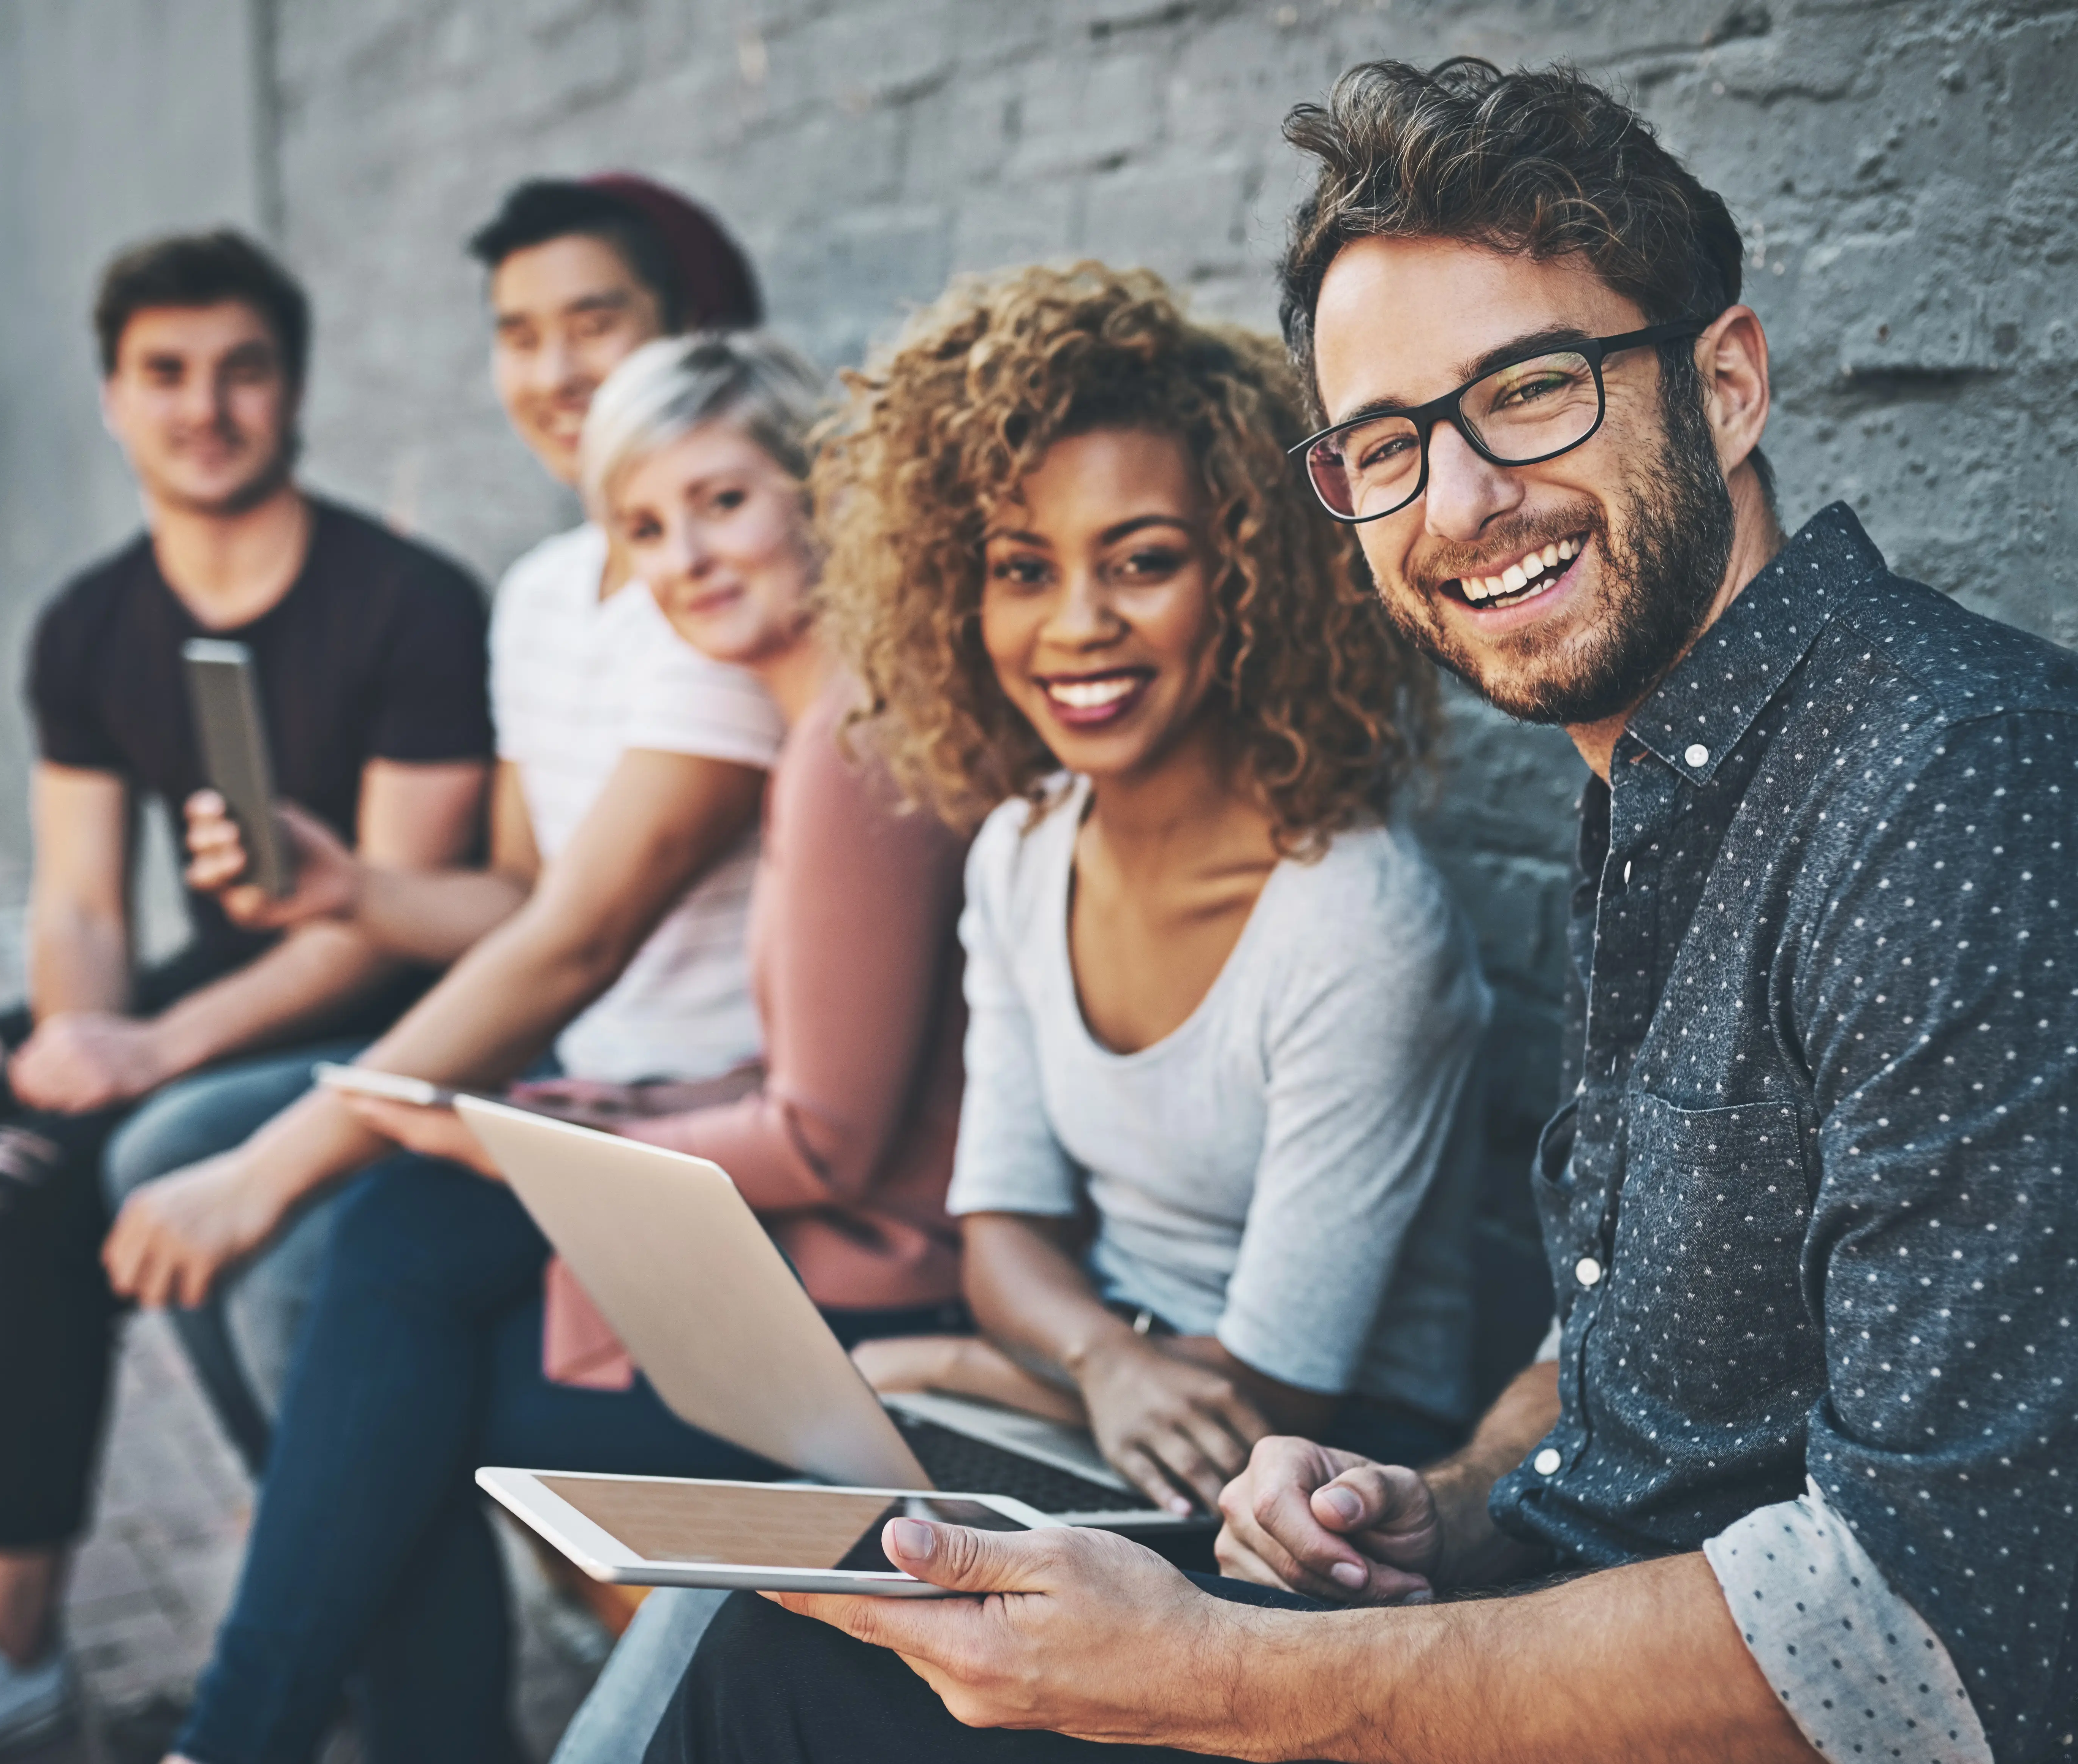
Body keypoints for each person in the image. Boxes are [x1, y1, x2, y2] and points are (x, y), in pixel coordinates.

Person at [646, 58, 2078, 1764]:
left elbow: (1908, 1645)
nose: (1458, 505)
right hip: (1578, 1620)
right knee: (779, 1630)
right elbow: (1639, 1340)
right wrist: (1438, 1503)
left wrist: (1200, 1672)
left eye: (1528, 391)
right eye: (1385, 445)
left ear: (1725, 385)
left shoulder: (1974, 800)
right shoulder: (1676, 777)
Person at [564, 261, 1496, 1764]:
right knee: (766, 1558)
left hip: (1292, 1504)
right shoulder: (1017, 848)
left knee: (782, 1601)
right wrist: (1098, 1357)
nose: (1076, 624)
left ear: (1248, 576)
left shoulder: (1356, 919)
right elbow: (995, 1233)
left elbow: (1277, 1384)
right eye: (1018, 567)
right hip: (1102, 1410)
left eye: (1140, 561)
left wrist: (944, 1365)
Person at [0, 231, 497, 1764]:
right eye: (166, 373)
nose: (203, 406)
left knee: (26, 1192)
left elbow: (379, 928)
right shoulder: (89, 622)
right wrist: (80, 1025)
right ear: (112, 397)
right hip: (193, 987)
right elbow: (80, 897)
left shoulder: (406, 599)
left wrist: (149, 1045)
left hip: (377, 1000)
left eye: (240, 371)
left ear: (291, 391)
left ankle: (7, 1635)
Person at [151, 331, 969, 1764]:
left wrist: (516, 1141)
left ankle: (264, 1736)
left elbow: (825, 1140)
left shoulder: (848, 749)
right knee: (402, 1255)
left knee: (413, 1332)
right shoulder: (813, 727)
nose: (687, 559)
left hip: (879, 1288)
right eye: (644, 528)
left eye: (722, 503)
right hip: (827, 1231)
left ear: (818, 492)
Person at [99, 175, 764, 1466]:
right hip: (555, 1049)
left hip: (666, 1097)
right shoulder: (538, 593)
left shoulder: (719, 597)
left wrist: (281, 1163)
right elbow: (519, 895)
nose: (553, 373)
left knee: (296, 1255)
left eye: (591, 323)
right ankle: (326, 1544)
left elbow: (575, 937)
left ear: (689, 330)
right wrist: (344, 886)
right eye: (517, 335)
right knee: (164, 1147)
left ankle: (360, 1591)